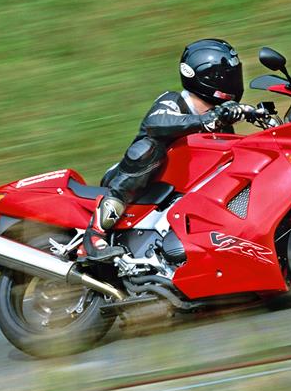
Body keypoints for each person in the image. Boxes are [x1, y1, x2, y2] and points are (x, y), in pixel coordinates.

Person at [83, 38, 247, 261]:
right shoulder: (172, 101)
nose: (233, 80)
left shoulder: (221, 123)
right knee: (147, 149)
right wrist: (207, 119)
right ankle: (94, 235)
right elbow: (157, 123)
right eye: (227, 74)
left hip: (177, 194)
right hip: (134, 180)